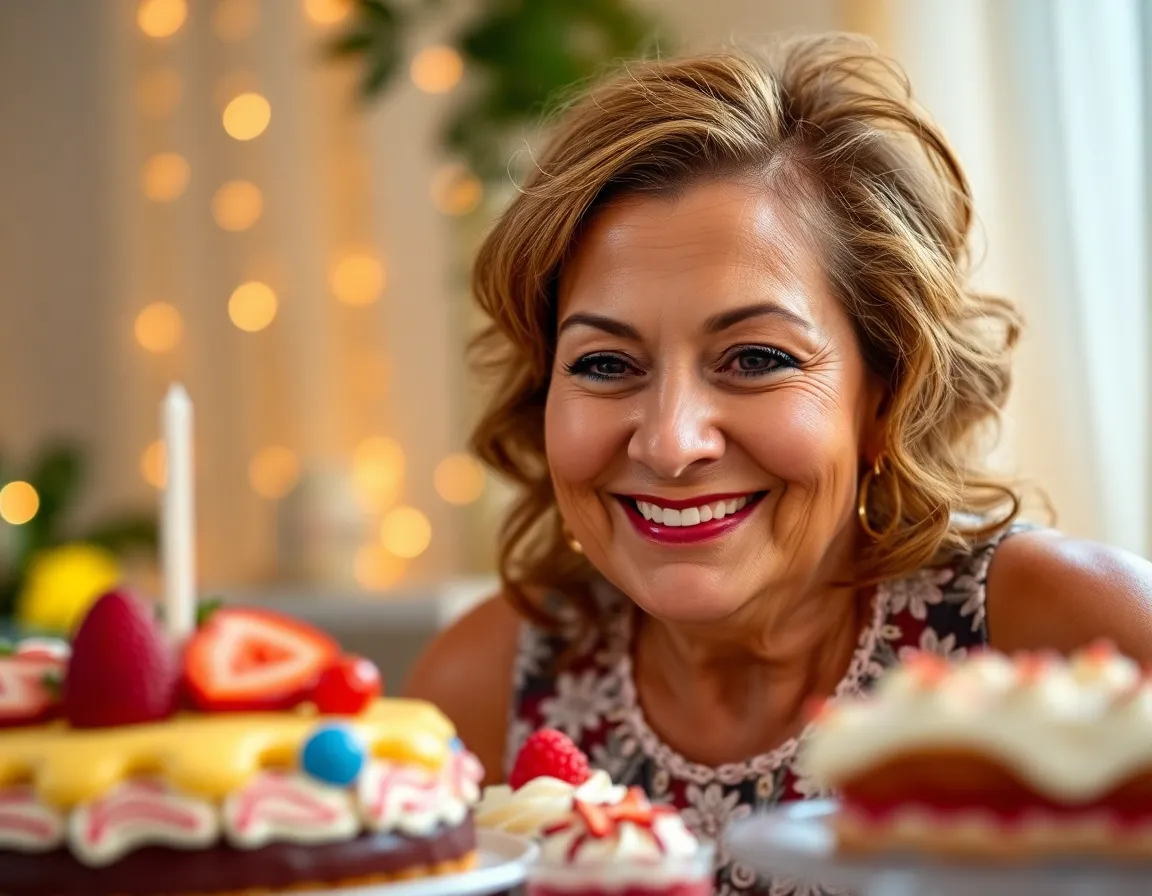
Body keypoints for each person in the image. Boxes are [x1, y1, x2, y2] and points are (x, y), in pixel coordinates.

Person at [406, 34, 1152, 894]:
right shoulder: (482, 687)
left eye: (756, 358)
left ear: (885, 397)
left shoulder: (1076, 637)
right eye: (605, 364)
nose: (670, 442)